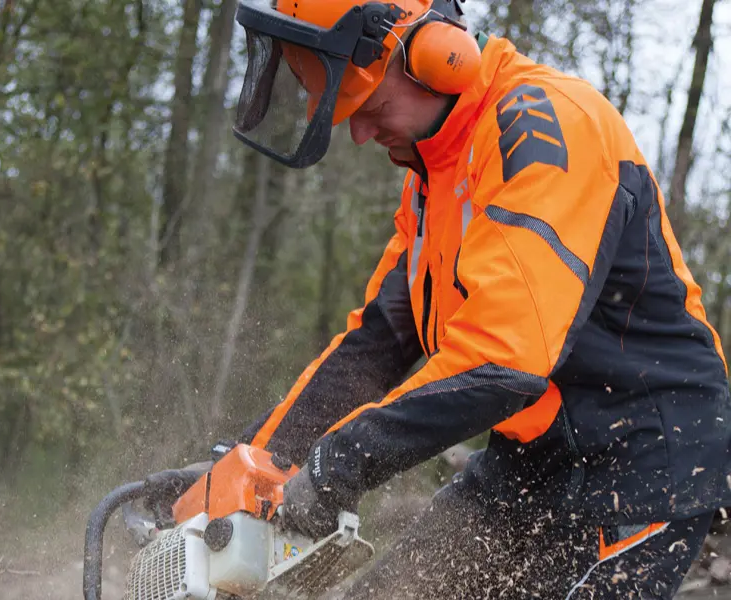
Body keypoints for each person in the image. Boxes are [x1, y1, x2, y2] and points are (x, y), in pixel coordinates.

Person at [210, 0, 731, 597]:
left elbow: (504, 359)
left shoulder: (543, 127)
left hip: (640, 462)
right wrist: (248, 464)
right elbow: (376, 341)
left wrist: (345, 459)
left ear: (437, 58)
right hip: (530, 464)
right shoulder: (434, 175)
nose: (357, 132)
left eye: (373, 106)